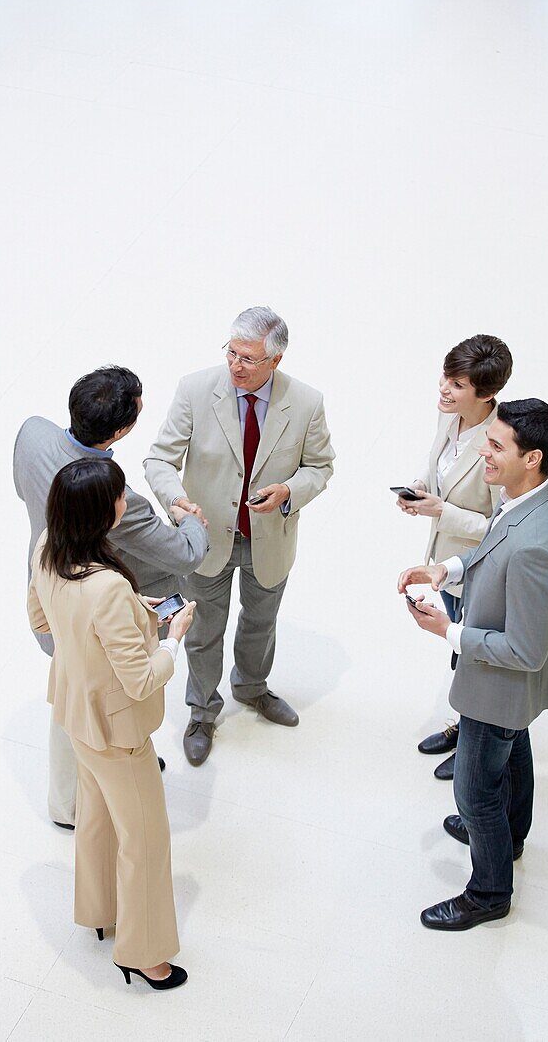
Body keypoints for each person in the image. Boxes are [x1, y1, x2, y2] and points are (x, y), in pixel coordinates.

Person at [399, 399, 548, 930]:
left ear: (534, 457)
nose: (483, 452)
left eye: (496, 446)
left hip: (500, 684)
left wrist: (447, 630)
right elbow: (492, 545)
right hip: (511, 697)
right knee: (514, 748)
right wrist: (446, 570)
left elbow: (524, 651)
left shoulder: (536, 546)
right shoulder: (536, 496)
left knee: (475, 790)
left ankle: (489, 891)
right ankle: (512, 835)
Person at [14, 366, 209, 827]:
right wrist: (189, 516)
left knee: (69, 688)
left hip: (48, 586)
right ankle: (86, 795)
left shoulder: (32, 434)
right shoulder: (116, 499)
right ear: (121, 430)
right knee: (101, 696)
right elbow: (185, 555)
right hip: (94, 608)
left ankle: (67, 803)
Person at [28, 458, 196, 989]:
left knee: (96, 819)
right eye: (120, 494)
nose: (127, 499)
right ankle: (144, 953)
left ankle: (100, 911)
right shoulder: (107, 589)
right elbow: (142, 680)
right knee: (145, 839)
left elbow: (42, 620)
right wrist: (172, 637)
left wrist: (129, 617)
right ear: (103, 514)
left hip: (76, 712)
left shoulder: (46, 550)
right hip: (120, 732)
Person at [144, 306, 335, 766]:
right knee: (202, 630)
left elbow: (321, 466)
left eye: (248, 359)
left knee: (259, 622)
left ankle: (251, 688)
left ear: (276, 360)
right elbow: (159, 460)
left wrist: (290, 490)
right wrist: (177, 502)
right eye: (231, 353)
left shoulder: (306, 402)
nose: (236, 366)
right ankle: (202, 711)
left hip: (269, 540)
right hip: (205, 541)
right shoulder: (195, 389)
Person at [396, 334, 513, 781]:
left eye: (457, 384)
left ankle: (474, 744)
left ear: (485, 394)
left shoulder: (501, 443)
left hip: (481, 572)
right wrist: (418, 490)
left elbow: (501, 528)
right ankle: (465, 726)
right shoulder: (451, 419)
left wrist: (441, 510)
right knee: (460, 655)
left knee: (473, 657)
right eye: (446, 376)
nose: (444, 389)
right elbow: (437, 467)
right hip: (448, 565)